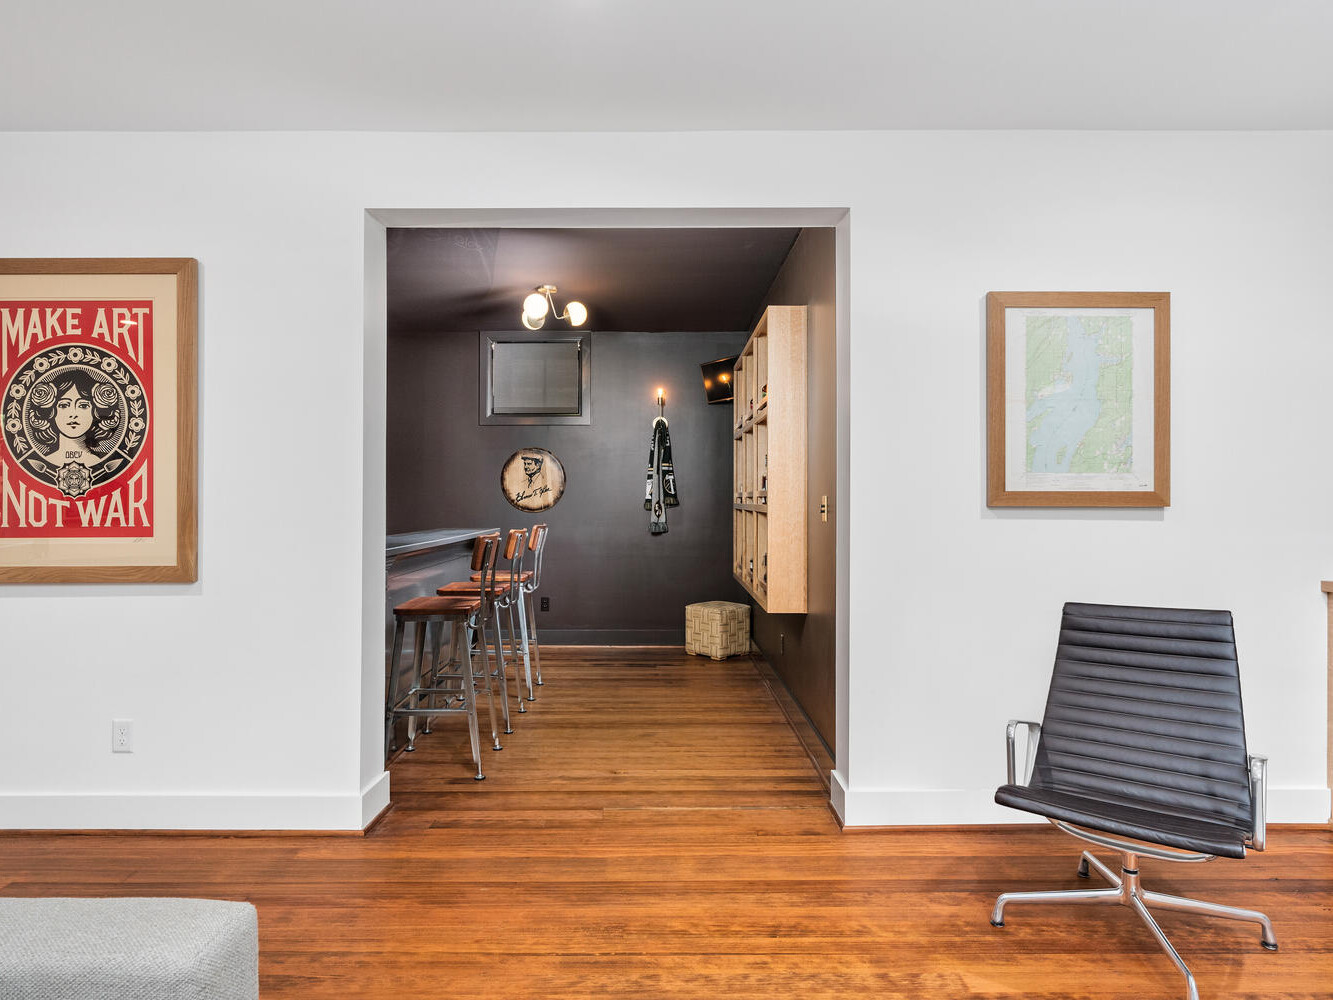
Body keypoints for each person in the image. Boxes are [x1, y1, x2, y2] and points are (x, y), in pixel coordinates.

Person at [28, 370, 121, 467]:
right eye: (64, 405)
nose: (73, 414)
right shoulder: (45, 462)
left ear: (95, 412)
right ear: (51, 411)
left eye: (83, 406)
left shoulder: (103, 463)